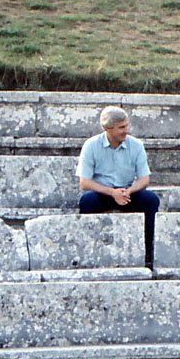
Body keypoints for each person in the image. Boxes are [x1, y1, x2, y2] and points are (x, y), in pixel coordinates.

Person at [77, 106, 160, 268]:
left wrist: (127, 192)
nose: (126, 131)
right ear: (108, 128)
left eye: (127, 126)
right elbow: (84, 183)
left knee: (151, 200)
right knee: (87, 201)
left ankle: (149, 252)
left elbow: (145, 179)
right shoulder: (91, 145)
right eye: (122, 127)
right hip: (103, 192)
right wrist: (112, 192)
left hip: (128, 192)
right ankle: (89, 250)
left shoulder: (136, 145)